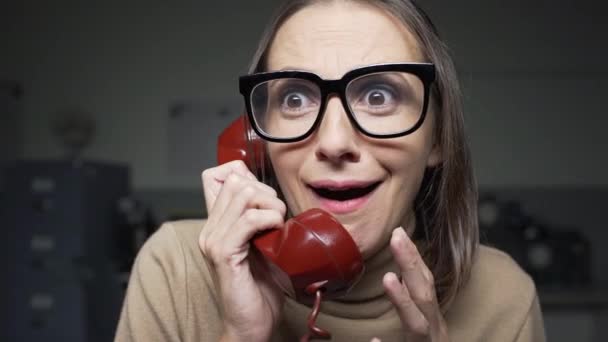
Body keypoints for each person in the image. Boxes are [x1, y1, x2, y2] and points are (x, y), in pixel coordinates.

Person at [115, 0, 545, 341]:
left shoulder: (501, 295)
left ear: (437, 140)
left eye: (379, 96)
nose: (335, 143)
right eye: (296, 99)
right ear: (258, 141)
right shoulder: (176, 270)